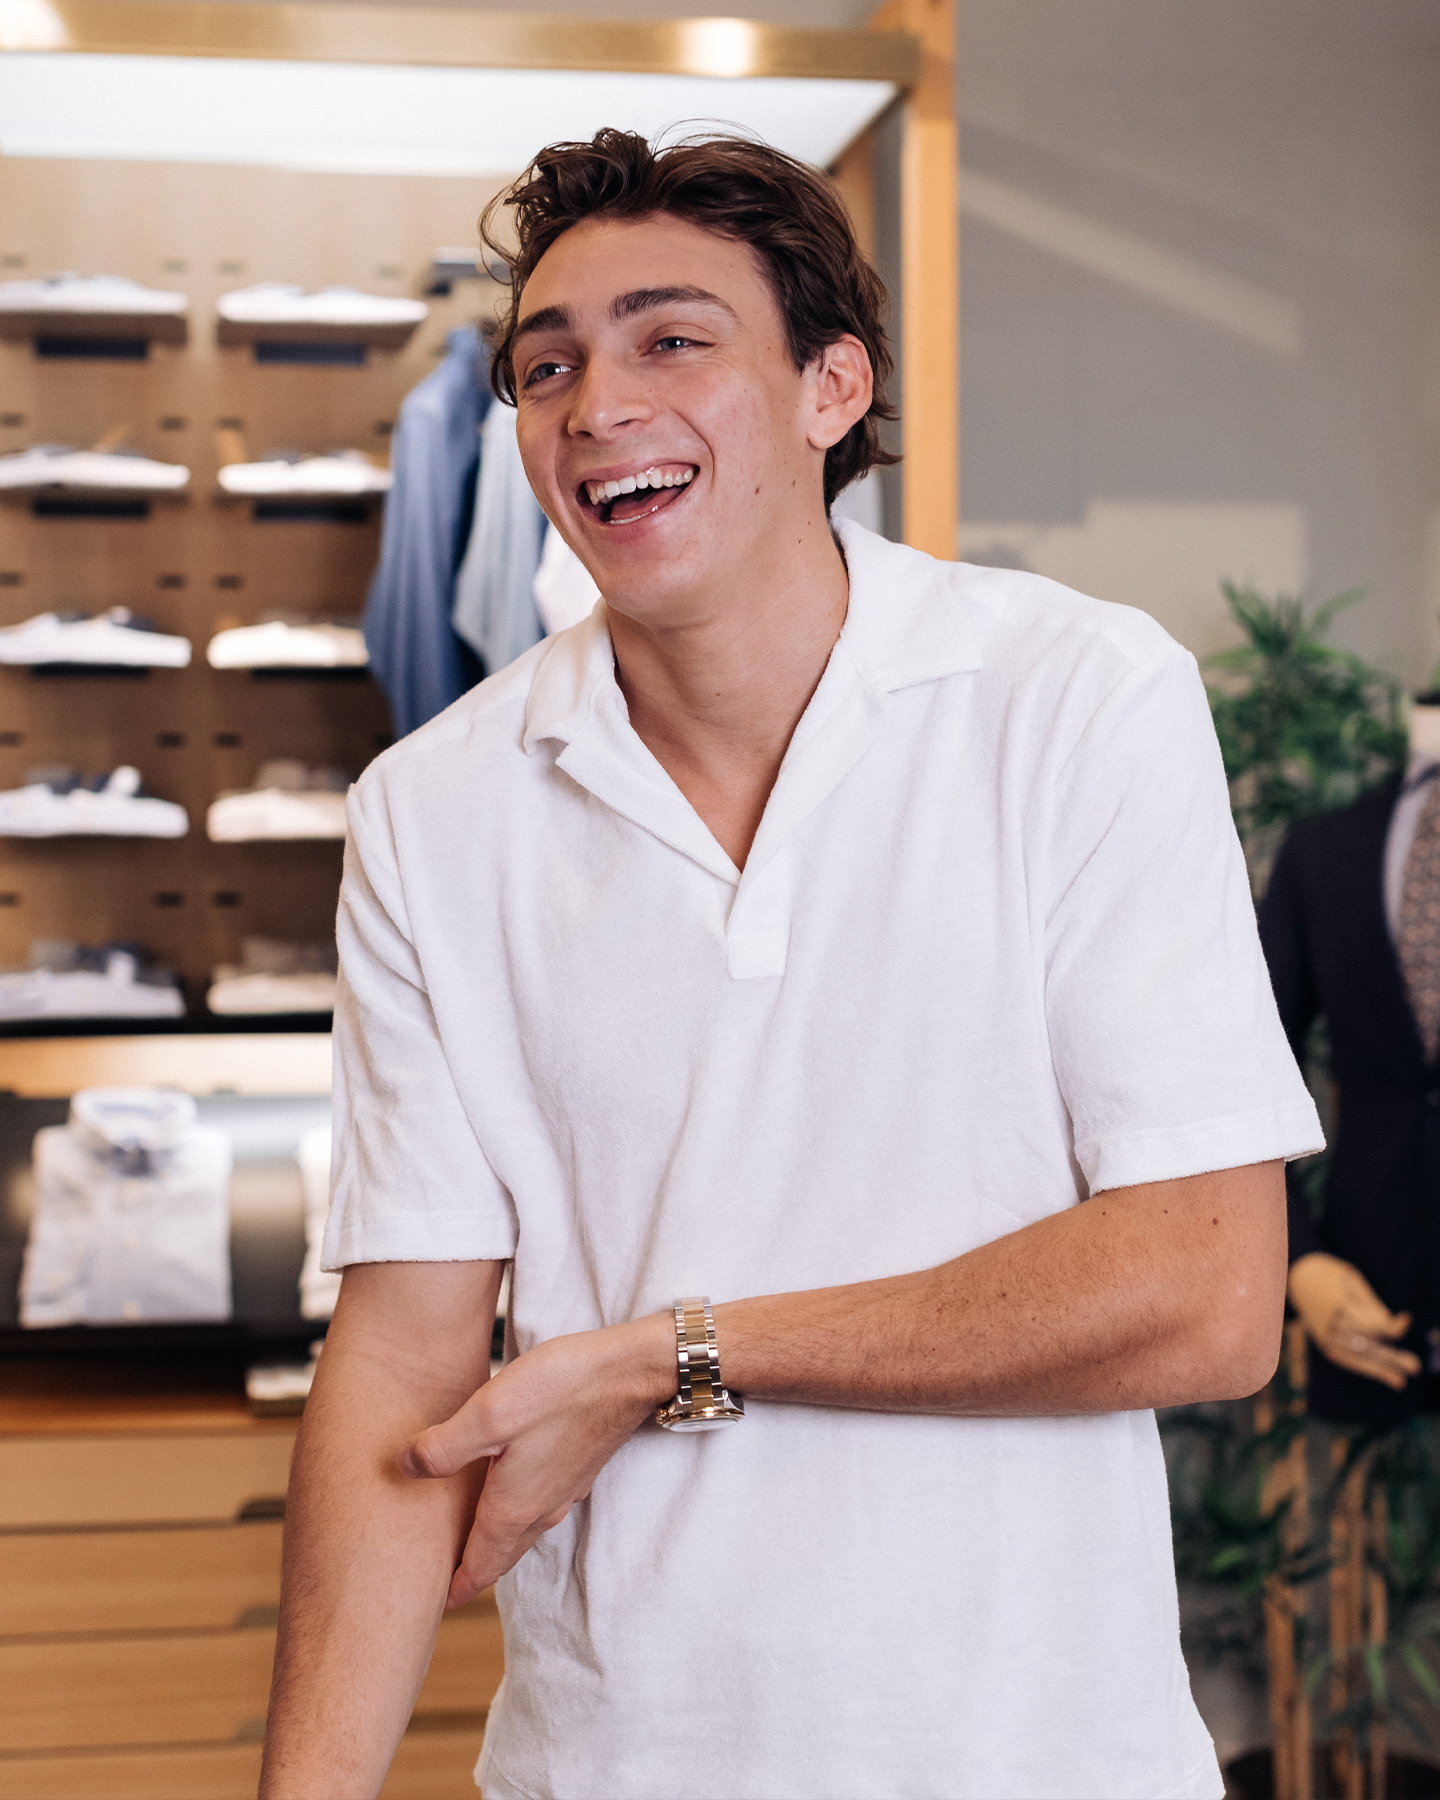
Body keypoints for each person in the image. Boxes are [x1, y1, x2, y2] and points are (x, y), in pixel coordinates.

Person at [259, 129, 1323, 1800]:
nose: (595, 403)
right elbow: (403, 1363)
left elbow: (1205, 1295)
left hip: (1036, 1759)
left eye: (672, 340)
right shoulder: (431, 811)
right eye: (549, 365)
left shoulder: (1076, 699)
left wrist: (667, 1354)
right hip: (613, 1762)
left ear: (835, 387)